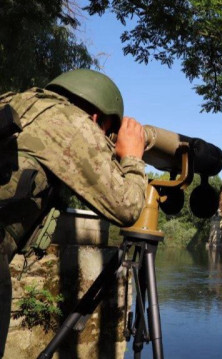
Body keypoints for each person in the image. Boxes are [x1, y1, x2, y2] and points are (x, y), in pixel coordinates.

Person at [0, 69, 147, 357]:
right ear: (97, 118)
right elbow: (126, 206)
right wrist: (132, 157)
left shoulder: (17, 102)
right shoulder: (73, 122)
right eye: (106, 132)